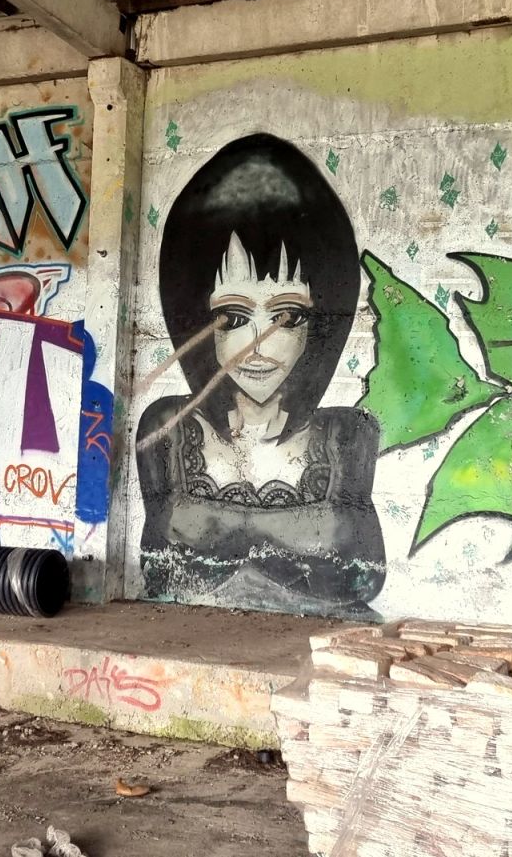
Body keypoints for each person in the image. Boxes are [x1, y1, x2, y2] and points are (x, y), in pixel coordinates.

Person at [136, 133, 385, 618]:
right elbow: (156, 572)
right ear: (196, 319)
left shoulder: (348, 437)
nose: (258, 345)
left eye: (287, 316)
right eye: (233, 317)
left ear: (320, 323)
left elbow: (366, 579)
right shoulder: (168, 430)